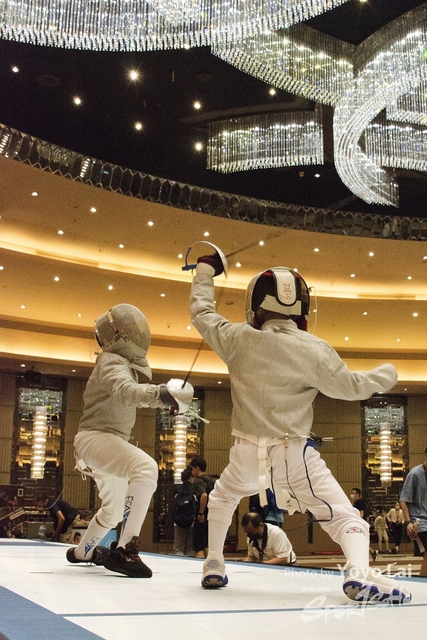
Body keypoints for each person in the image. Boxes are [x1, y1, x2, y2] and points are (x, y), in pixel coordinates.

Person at [189, 249, 411, 604]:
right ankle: (358, 571)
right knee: (344, 516)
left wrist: (204, 270)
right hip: (292, 455)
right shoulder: (313, 349)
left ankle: (213, 562)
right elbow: (351, 388)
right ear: (302, 307)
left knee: (222, 497)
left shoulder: (236, 338)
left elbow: (201, 313)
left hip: (244, 453)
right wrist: (384, 375)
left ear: (256, 304)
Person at [67, 303, 194, 577]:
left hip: (103, 444)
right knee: (145, 468)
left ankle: (81, 553)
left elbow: (128, 389)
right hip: (95, 439)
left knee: (113, 513)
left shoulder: (121, 364)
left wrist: (166, 398)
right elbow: (125, 391)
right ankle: (125, 551)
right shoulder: (110, 360)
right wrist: (162, 394)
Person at [400, 447, 427, 577]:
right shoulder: (415, 474)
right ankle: (423, 585)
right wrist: (408, 522)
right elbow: (403, 500)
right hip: (420, 523)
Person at [190, 457, 215, 558]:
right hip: (211, 514)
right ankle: (211, 563)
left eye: (192, 469)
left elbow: (204, 496)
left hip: (202, 516)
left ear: (197, 468)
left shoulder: (198, 482)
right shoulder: (212, 480)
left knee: (199, 547)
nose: (192, 471)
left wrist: (201, 513)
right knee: (206, 545)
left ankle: (198, 565)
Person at [173, 467, 196, 556]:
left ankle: (178, 563)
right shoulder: (194, 490)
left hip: (178, 521)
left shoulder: (177, 490)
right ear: (190, 478)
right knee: (189, 548)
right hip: (191, 521)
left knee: (178, 548)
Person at [350, 487, 376, 561]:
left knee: (359, 539)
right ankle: (372, 552)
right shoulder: (356, 502)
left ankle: (368, 552)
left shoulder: (359, 502)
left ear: (358, 494)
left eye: (353, 493)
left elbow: (361, 512)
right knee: (360, 539)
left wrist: (358, 521)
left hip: (360, 523)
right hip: (359, 522)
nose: (352, 495)